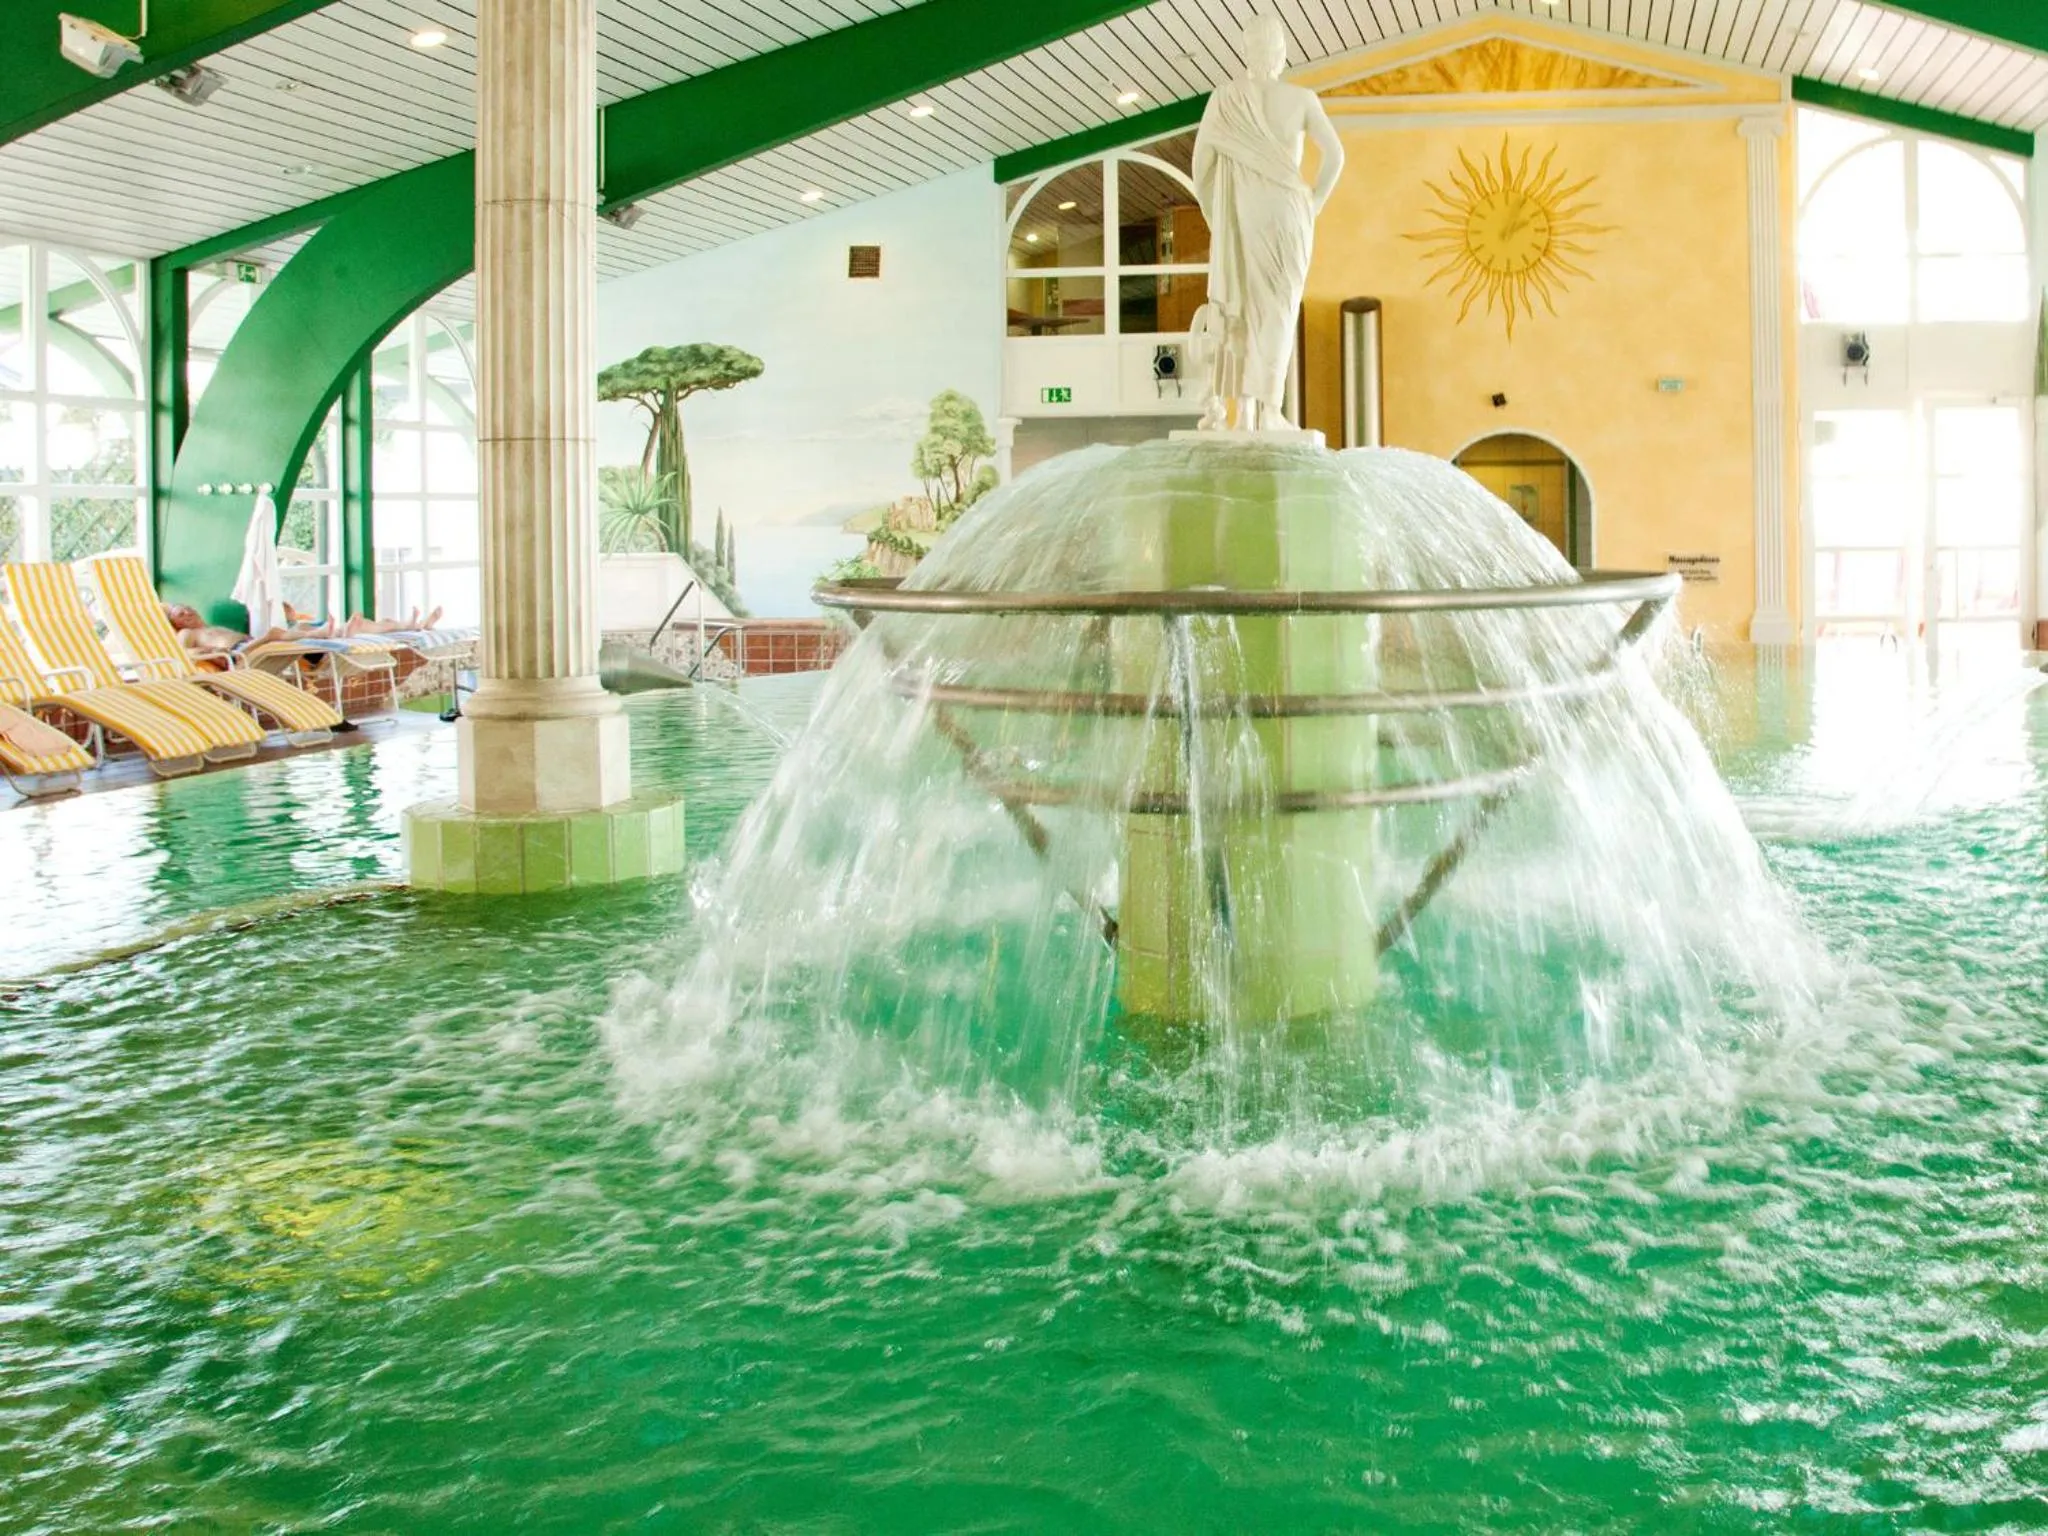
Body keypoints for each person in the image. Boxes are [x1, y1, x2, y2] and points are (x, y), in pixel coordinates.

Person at [1191, 16, 1345, 432]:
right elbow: (1335, 156)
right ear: (1282, 53)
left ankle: (1245, 411)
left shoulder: (1223, 100)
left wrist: (1216, 221)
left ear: (1247, 52)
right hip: (1290, 211)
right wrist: (1311, 204)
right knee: (1278, 310)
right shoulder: (1302, 98)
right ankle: (1270, 411)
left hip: (1244, 213)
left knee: (1243, 304)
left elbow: (1201, 167)